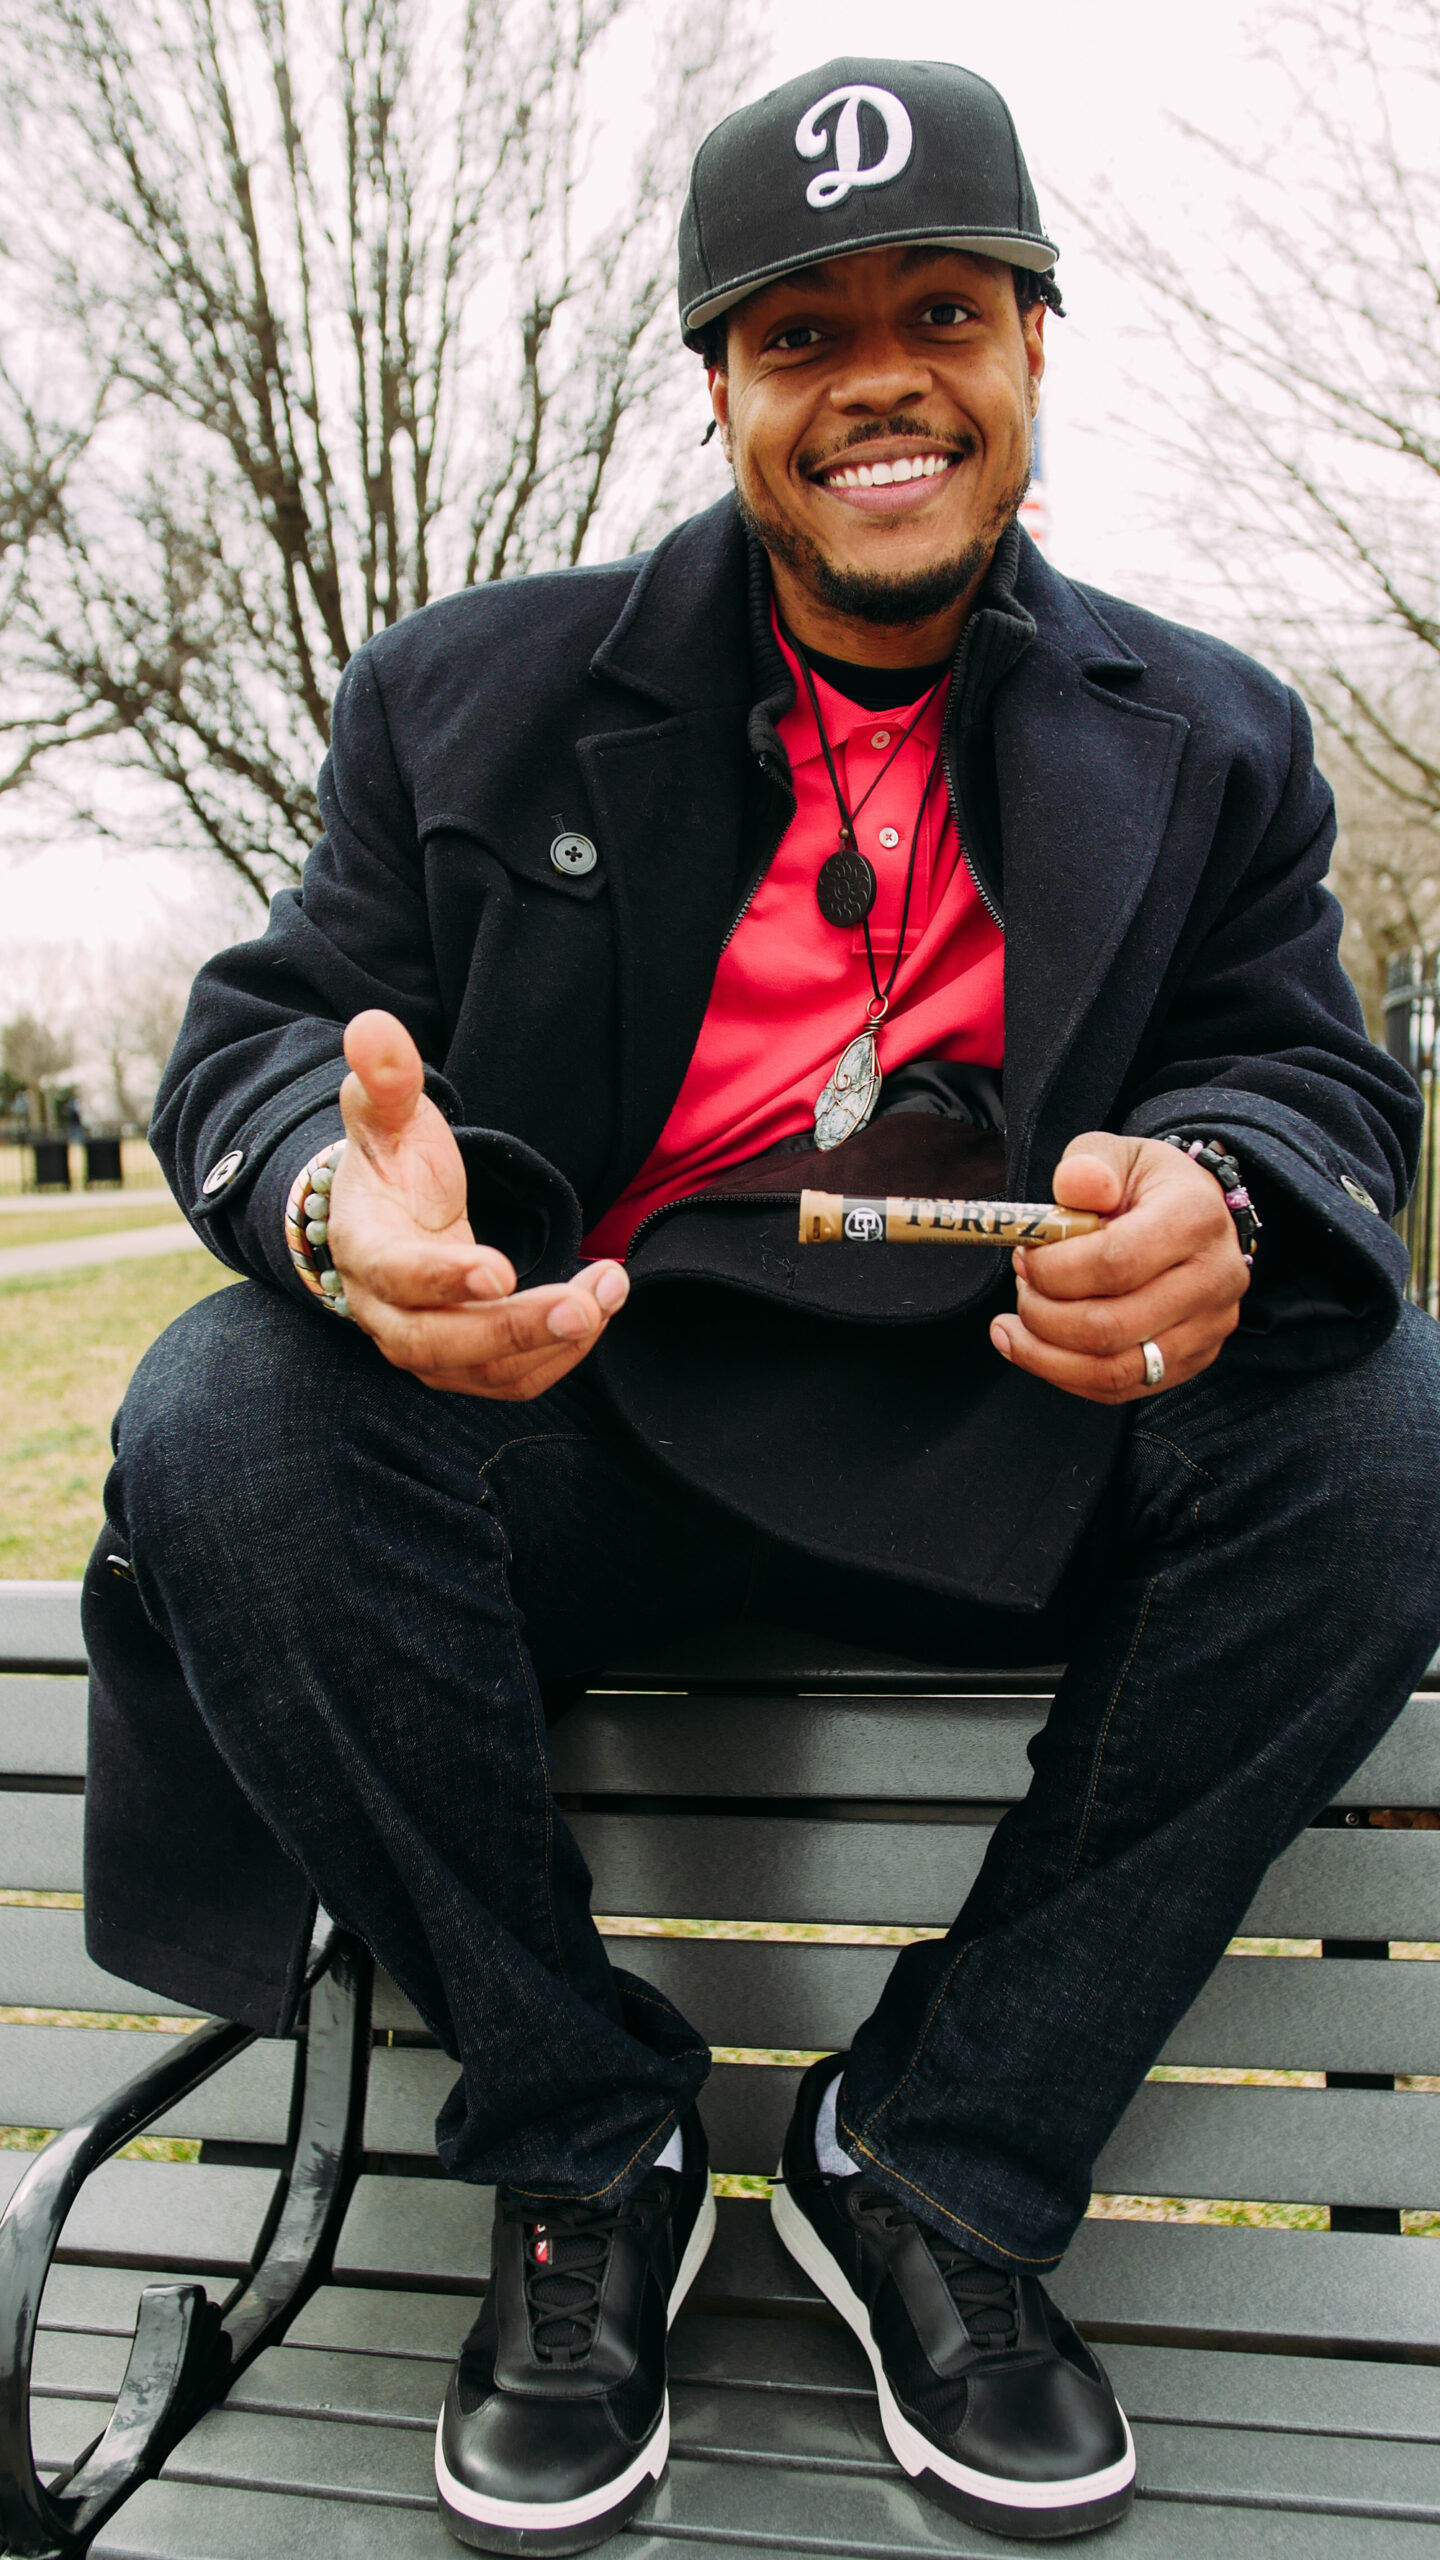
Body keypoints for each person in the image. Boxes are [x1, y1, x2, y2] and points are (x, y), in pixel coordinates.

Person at [82, 55, 1440, 2554]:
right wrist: (340, 1213)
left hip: (1016, 1419)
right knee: (224, 1410)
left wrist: (1234, 1192)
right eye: (803, 334)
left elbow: (1312, 1077)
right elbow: (265, 1040)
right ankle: (585, 2141)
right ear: (719, 389)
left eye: (942, 311)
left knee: (1395, 1409)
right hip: (583, 1420)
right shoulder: (463, 692)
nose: (879, 381)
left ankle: (933, 2154)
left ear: (1034, 341)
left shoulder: (1219, 735)